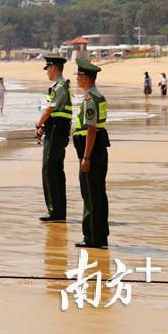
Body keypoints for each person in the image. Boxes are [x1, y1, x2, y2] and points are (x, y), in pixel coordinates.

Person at [73, 58, 109, 249]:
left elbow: (91, 129)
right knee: (98, 193)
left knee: (90, 195)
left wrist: (86, 157)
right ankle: (100, 235)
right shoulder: (98, 96)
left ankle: (92, 237)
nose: (77, 79)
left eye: (78, 75)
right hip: (98, 150)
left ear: (85, 77)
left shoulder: (90, 100)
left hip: (91, 152)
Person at [35, 56, 73, 223]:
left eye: (48, 68)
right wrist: (45, 124)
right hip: (56, 130)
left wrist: (38, 123)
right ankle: (59, 211)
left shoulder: (59, 87)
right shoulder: (59, 86)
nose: (47, 72)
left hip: (56, 133)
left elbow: (50, 109)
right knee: (56, 171)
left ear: (55, 69)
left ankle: (54, 211)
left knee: (49, 170)